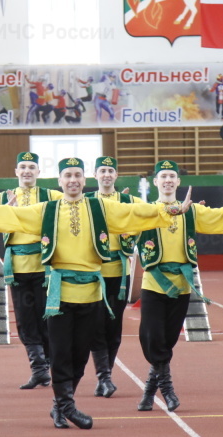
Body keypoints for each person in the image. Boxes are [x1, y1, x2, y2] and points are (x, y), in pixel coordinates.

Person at [0, 157, 188, 430]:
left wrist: (171, 210)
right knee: (61, 353)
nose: (73, 180)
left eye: (77, 175)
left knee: (80, 356)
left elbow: (135, 213)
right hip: (59, 295)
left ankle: (59, 406)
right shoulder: (47, 210)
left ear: (84, 179)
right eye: (68, 175)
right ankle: (67, 406)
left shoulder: (100, 208)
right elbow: (14, 216)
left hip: (90, 294)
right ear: (59, 180)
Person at [136, 160, 223, 413]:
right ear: (155, 182)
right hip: (154, 283)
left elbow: (222, 216)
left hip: (181, 284)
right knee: (152, 337)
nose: (167, 180)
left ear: (178, 182)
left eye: (172, 176)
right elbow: (119, 219)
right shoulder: (145, 211)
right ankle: (167, 389)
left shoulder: (192, 211)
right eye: (163, 176)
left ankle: (149, 391)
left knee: (167, 340)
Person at [0, 152, 62, 390]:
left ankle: (50, 366)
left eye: (31, 167)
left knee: (48, 318)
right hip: (17, 270)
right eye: (22, 167)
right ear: (16, 171)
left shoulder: (51, 196)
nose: (27, 171)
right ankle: (38, 369)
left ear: (38, 172)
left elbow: (78, 203)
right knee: (25, 320)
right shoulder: (4, 197)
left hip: (45, 270)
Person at [83, 156, 142, 398]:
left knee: (114, 327)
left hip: (120, 273)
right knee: (95, 325)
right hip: (93, 273)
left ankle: (105, 376)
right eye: (102, 170)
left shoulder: (129, 201)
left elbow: (152, 213)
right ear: (95, 175)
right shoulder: (85, 201)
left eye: (111, 170)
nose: (107, 174)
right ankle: (104, 377)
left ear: (116, 175)